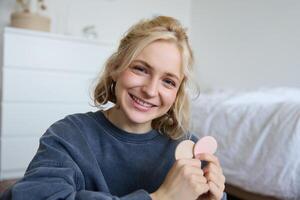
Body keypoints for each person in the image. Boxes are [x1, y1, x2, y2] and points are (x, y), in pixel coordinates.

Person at [1, 16, 226, 200]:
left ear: (177, 93)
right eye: (141, 69)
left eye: (168, 81)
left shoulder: (192, 150)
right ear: (115, 68)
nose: (150, 90)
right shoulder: (68, 135)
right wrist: (161, 198)